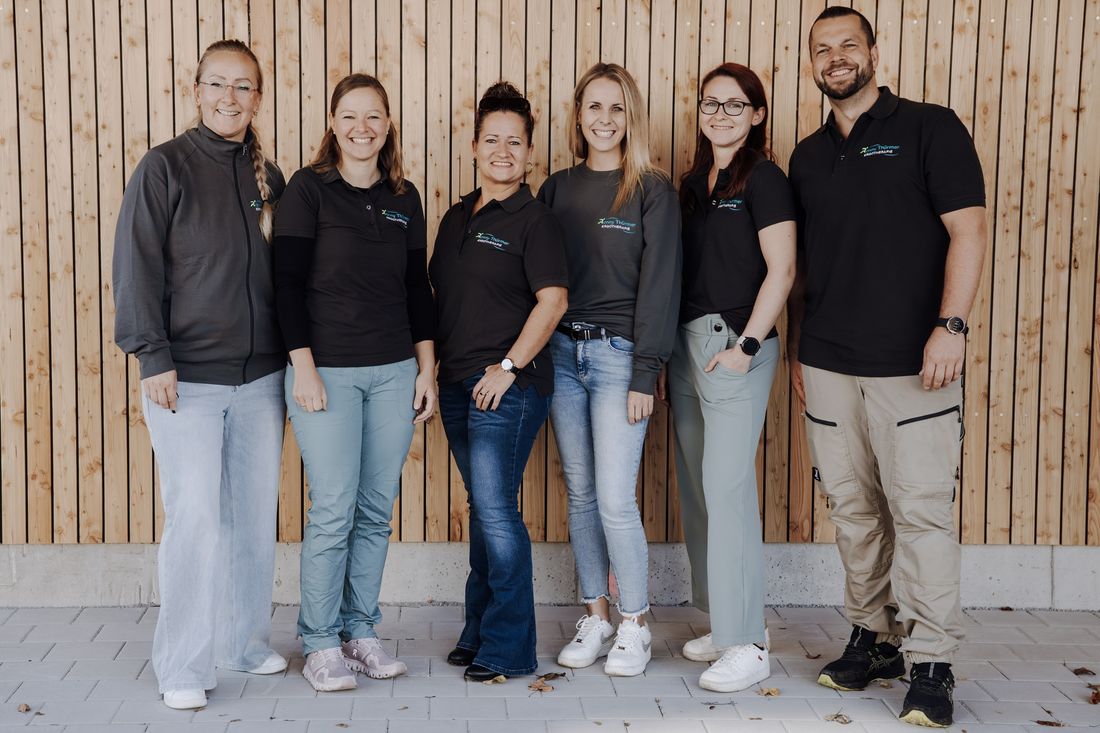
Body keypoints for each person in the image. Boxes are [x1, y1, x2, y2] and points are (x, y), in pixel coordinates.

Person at [787, 7, 987, 728]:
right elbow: (806, 262)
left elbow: (969, 231)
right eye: (823, 49)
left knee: (921, 511)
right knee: (852, 511)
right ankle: (872, 638)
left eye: (849, 44)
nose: (836, 57)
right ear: (812, 63)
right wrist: (799, 347)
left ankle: (932, 659)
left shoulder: (931, 127)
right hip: (828, 362)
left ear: (875, 52)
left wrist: (950, 327)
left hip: (914, 362)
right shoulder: (808, 155)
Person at [113, 39, 288, 710]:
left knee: (253, 519)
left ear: (258, 98)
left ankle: (242, 642)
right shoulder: (164, 167)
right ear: (195, 91)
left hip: (261, 380)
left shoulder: (270, 178)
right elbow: (136, 265)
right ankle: (183, 664)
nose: (229, 98)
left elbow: (288, 277)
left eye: (243, 86)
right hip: (185, 379)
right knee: (195, 519)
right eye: (217, 84)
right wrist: (152, 356)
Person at [273, 73, 436, 692]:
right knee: (335, 508)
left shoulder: (404, 196)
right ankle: (319, 642)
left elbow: (417, 288)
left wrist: (426, 368)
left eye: (373, 117)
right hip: (327, 373)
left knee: (374, 510)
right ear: (333, 123)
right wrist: (303, 367)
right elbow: (286, 284)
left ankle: (359, 631)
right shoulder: (308, 190)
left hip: (394, 372)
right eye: (349, 116)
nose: (361, 128)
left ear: (388, 124)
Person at [538, 63, 681, 678]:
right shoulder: (556, 189)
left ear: (632, 117)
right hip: (562, 355)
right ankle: (596, 614)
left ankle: (636, 623)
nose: (604, 119)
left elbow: (661, 286)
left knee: (616, 499)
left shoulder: (651, 189)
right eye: (594, 107)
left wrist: (647, 370)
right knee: (581, 493)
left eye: (617, 108)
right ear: (578, 115)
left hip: (620, 358)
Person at [430, 81, 569, 682]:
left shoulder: (535, 220)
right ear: (474, 146)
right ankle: (479, 630)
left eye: (515, 141)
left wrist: (508, 368)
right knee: (484, 508)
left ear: (530, 153)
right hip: (457, 384)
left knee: (494, 510)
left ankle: (510, 646)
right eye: (493, 140)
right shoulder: (456, 216)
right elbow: (438, 299)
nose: (503, 151)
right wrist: (431, 373)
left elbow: (554, 301)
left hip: (508, 386)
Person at [669, 62, 796, 692]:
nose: (720, 114)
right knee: (699, 487)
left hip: (734, 346)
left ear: (757, 114)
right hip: (686, 346)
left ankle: (747, 642)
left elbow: (782, 269)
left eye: (734, 104)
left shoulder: (764, 179)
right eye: (710, 103)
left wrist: (746, 345)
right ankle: (727, 621)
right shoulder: (694, 183)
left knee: (727, 489)